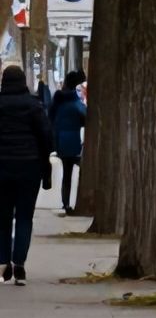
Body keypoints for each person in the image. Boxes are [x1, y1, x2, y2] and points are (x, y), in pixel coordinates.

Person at [0, 65, 52, 285]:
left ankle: (3, 262)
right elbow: (46, 136)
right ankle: (19, 262)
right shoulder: (33, 105)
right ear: (23, 82)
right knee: (24, 216)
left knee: (2, 218)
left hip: (1, 167)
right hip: (29, 166)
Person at [49, 71, 86, 216]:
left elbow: (50, 118)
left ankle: (65, 202)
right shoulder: (74, 101)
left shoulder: (58, 101)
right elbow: (84, 115)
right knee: (76, 170)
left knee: (67, 173)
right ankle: (70, 202)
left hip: (60, 141)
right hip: (73, 141)